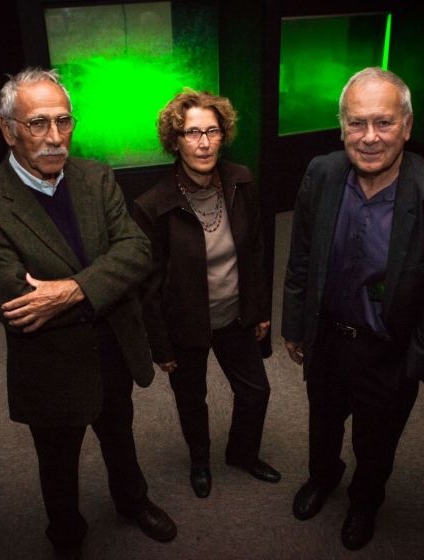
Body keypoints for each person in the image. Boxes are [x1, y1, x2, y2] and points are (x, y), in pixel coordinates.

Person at [0, 68, 176, 558]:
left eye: (64, 121)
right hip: (52, 367)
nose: (55, 138)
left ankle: (132, 502)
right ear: (7, 129)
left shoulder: (96, 175)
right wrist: (102, 283)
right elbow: (20, 305)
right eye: (37, 124)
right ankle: (67, 536)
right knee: (58, 462)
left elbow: (137, 251)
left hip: (115, 346)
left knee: (120, 433)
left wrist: (72, 290)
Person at [282, 67, 424, 551]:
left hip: (388, 352)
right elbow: (302, 256)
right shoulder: (321, 174)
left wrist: (414, 360)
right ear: (341, 126)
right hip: (325, 340)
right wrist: (296, 327)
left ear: (407, 126)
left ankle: (365, 502)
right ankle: (324, 479)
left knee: (376, 442)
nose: (369, 138)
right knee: (322, 424)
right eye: (356, 123)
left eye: (383, 123)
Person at [131, 89, 279, 500]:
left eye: (212, 131)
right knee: (192, 401)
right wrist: (161, 346)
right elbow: (149, 285)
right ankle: (200, 460)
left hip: (235, 316)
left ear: (223, 135)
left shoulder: (242, 181)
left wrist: (260, 310)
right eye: (191, 132)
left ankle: (242, 454)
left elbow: (256, 254)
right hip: (185, 326)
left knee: (256, 391)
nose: (203, 142)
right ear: (174, 141)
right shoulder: (153, 205)